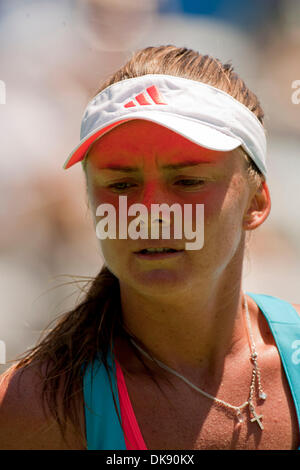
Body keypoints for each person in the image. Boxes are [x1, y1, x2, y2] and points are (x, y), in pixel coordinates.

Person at [0, 45, 300, 450]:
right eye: (121, 185)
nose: (151, 212)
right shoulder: (29, 406)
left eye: (188, 181)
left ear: (256, 202)